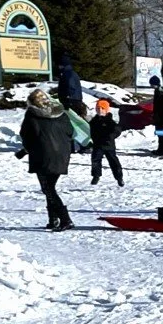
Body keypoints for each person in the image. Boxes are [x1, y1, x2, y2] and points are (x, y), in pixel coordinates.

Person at [16, 88, 75, 231]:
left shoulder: (32, 115)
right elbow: (70, 132)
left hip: (43, 155)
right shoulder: (61, 113)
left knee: (48, 188)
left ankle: (65, 219)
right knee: (50, 187)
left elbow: (27, 135)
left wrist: (26, 149)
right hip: (62, 154)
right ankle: (53, 219)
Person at [89, 98, 124, 186]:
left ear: (106, 110)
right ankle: (96, 176)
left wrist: (111, 136)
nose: (100, 110)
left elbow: (117, 130)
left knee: (113, 161)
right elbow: (89, 129)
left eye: (102, 108)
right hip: (98, 144)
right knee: (95, 160)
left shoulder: (110, 120)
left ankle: (119, 177)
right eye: (98, 109)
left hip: (109, 145)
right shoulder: (94, 121)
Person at [56, 54, 86, 118]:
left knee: (71, 118)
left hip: (71, 100)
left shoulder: (67, 74)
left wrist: (67, 96)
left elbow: (70, 85)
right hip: (75, 99)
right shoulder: (70, 72)